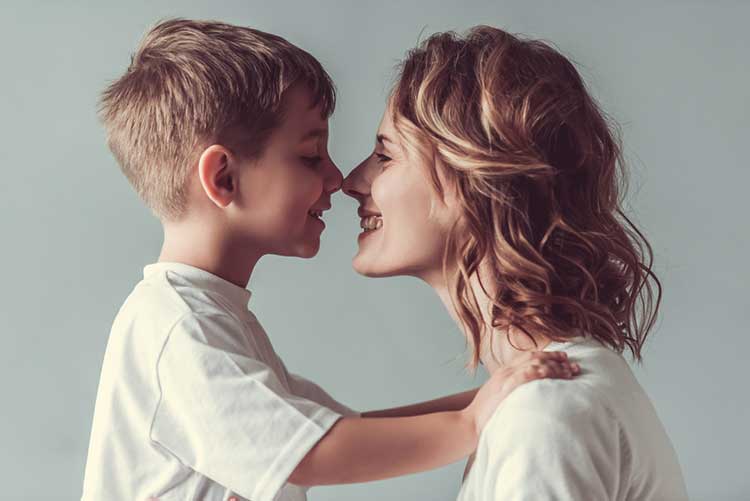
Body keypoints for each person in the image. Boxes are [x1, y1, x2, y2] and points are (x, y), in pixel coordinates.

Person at [80, 19, 579, 501]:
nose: (338, 178)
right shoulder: (176, 329)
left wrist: (489, 396)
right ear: (223, 179)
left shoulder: (208, 320)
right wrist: (470, 424)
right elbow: (311, 453)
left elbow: (347, 431)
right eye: (310, 155)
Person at [342, 26, 689, 500]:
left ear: (474, 177)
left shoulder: (546, 410)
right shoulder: (534, 398)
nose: (351, 181)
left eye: (385, 155)